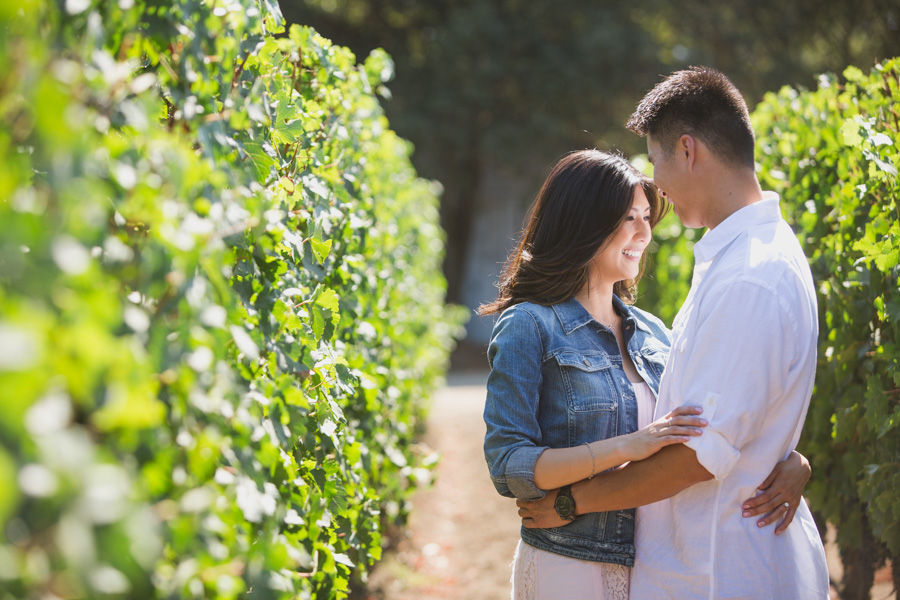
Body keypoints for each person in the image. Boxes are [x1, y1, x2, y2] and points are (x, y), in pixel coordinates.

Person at [516, 67, 830, 599]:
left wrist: (573, 501)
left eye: (656, 160)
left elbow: (697, 456)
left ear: (687, 150)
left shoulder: (750, 279)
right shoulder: (742, 262)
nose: (655, 185)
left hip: (720, 571)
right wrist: (783, 454)